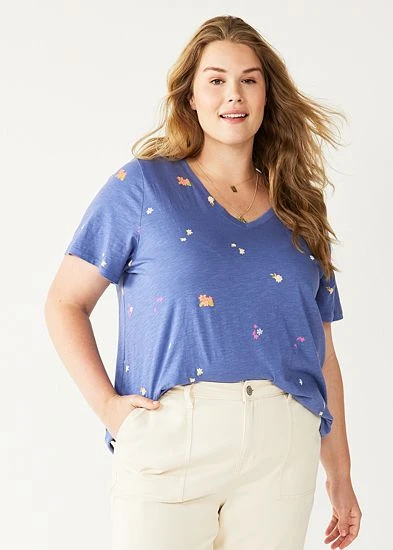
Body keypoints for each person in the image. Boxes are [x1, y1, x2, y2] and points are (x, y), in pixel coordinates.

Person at [45, 14, 362, 550]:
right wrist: (109, 408)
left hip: (282, 446)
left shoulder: (300, 205)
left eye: (249, 80)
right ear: (190, 96)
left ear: (266, 95)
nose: (233, 94)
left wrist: (341, 474)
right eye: (216, 80)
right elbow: (63, 302)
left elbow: (322, 350)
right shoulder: (143, 186)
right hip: (172, 440)